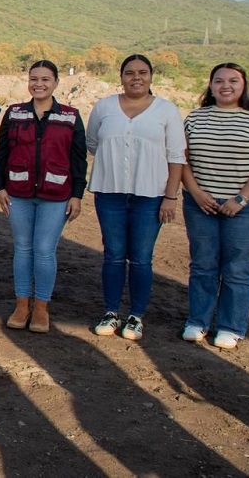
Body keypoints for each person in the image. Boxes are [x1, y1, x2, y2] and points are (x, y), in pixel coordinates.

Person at [180, 63, 249, 349]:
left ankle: (230, 326)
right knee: (203, 264)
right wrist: (197, 193)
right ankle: (197, 321)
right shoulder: (195, 118)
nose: (226, 86)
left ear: (243, 85)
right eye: (219, 81)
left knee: (238, 267)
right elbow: (182, 159)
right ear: (210, 86)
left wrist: (241, 199)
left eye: (233, 80)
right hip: (202, 205)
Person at [86, 54, 185, 341]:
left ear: (152, 77)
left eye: (142, 72)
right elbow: (93, 143)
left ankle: (136, 316)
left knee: (141, 258)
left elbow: (176, 156)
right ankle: (111, 312)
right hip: (110, 193)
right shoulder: (104, 107)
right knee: (114, 255)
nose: (136, 77)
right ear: (121, 77)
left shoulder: (166, 111)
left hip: (150, 196)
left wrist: (171, 197)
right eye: (130, 72)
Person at [0, 60, 87, 332]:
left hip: (56, 195)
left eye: (45, 79)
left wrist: (77, 195)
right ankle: (22, 306)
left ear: (56, 82)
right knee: (22, 248)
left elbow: (78, 159)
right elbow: (1, 155)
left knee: (44, 250)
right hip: (18, 193)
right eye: (34, 78)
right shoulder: (14, 113)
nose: (39, 84)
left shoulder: (70, 116)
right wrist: (0, 187)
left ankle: (41, 308)